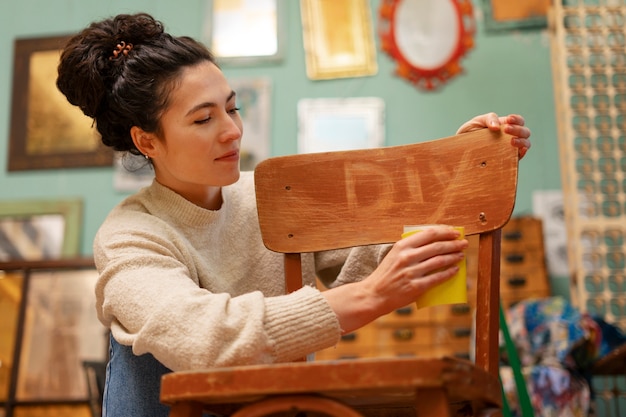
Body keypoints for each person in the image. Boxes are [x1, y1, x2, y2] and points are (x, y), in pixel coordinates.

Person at [56, 12, 531, 417]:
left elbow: (370, 251)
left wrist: (460, 168)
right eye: (203, 119)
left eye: (232, 108)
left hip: (272, 404)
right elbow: (203, 338)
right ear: (146, 141)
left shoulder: (267, 195)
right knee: (157, 346)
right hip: (176, 405)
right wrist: (374, 295)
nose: (232, 131)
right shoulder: (129, 235)